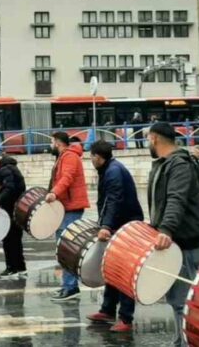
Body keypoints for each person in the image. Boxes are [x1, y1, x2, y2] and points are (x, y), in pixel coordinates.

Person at [147, 122, 199, 347]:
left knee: (182, 299)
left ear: (154, 138)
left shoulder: (179, 165)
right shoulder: (167, 163)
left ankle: (189, 342)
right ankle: (179, 341)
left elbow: (176, 198)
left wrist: (166, 229)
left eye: (148, 139)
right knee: (176, 298)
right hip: (176, 239)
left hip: (184, 239)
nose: (147, 143)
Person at [86, 140, 145, 333]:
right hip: (119, 223)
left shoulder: (113, 172)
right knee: (111, 268)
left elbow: (114, 200)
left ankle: (126, 318)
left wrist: (106, 226)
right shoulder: (109, 169)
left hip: (126, 225)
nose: (90, 160)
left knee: (124, 271)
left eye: (91, 156)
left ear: (98, 157)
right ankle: (108, 310)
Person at [46, 131, 90, 301]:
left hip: (71, 207)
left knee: (68, 248)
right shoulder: (63, 156)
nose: (50, 145)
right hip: (65, 207)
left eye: (52, 142)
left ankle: (71, 287)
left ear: (57, 142)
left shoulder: (70, 156)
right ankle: (67, 285)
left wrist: (54, 194)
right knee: (63, 248)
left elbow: (67, 178)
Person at [0, 153, 26, 279]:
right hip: (18, 208)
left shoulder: (4, 170)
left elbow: (9, 188)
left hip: (10, 209)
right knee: (16, 239)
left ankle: (11, 268)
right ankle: (20, 267)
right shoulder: (12, 167)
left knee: (8, 239)